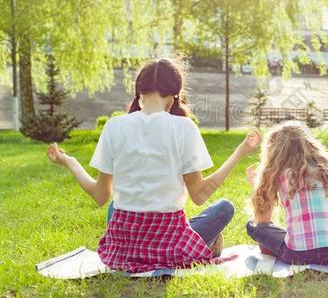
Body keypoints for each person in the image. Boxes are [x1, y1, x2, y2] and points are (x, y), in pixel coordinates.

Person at [47, 58, 261, 273]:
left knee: (115, 206)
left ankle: (171, 240)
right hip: (168, 247)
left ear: (140, 90)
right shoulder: (183, 127)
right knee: (224, 207)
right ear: (174, 94)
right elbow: (199, 195)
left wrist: (70, 162)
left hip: (123, 248)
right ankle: (201, 244)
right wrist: (239, 153)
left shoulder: (115, 126)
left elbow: (100, 196)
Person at [245, 121, 328, 265]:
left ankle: (272, 250)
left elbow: (263, 221)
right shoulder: (325, 168)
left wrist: (256, 186)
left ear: (275, 151)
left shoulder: (275, 175)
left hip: (297, 256)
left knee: (253, 226)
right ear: (309, 144)